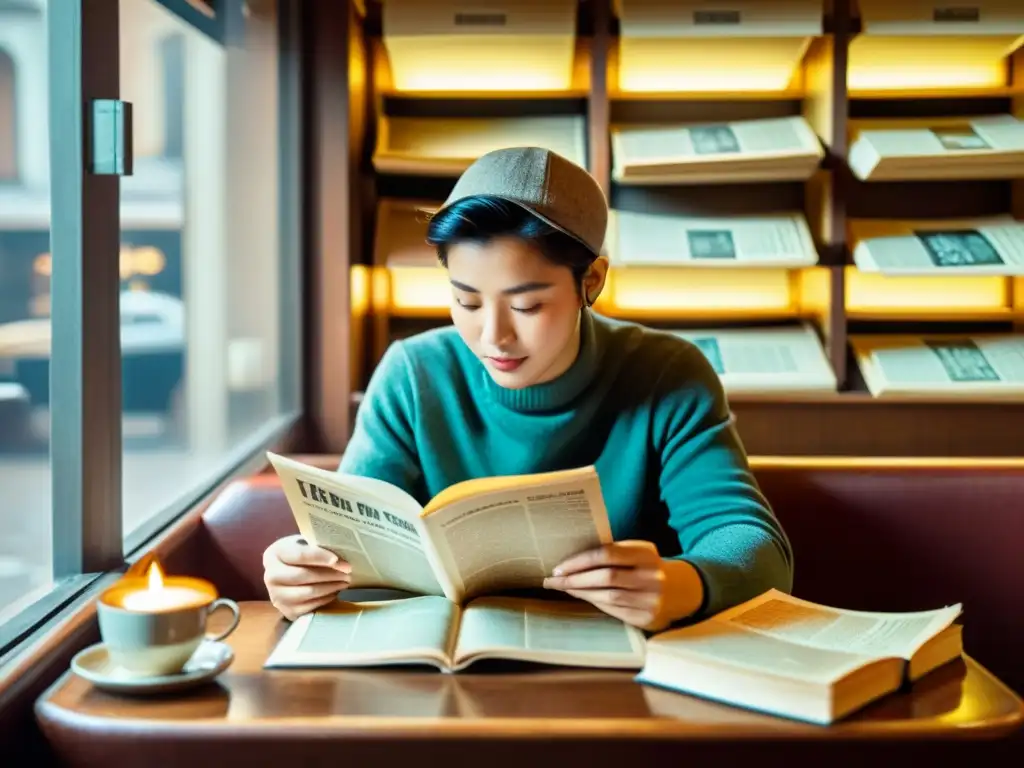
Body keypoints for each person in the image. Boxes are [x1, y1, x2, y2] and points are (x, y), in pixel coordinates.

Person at [263, 146, 794, 630]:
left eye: (526, 305)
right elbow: (350, 541)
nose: (493, 336)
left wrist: (685, 585)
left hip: (626, 674)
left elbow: (758, 548)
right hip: (443, 673)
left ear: (592, 281)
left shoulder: (668, 374)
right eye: (467, 302)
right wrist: (302, 573)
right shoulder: (412, 374)